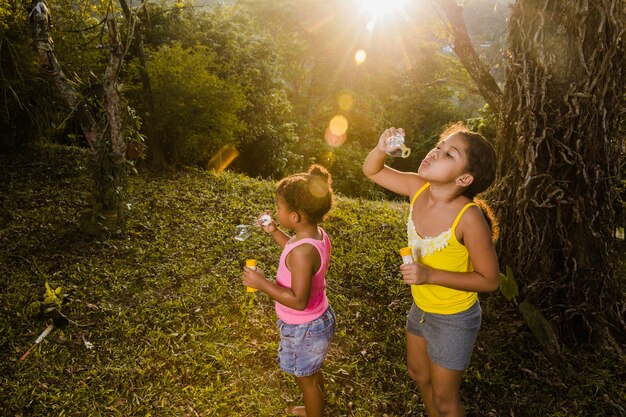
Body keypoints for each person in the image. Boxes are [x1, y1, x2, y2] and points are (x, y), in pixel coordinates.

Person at [363, 123, 500, 417]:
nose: (435, 153)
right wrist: (380, 149)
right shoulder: (418, 187)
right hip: (422, 307)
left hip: (455, 319)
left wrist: (429, 275)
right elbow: (373, 171)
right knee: (418, 375)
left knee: (446, 400)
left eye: (449, 154)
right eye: (438, 146)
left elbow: (490, 281)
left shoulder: (469, 218)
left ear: (464, 178)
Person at [242, 164, 336, 417]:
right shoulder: (314, 235)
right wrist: (274, 231)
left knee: (305, 379)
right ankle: (314, 404)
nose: (276, 211)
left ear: (294, 216)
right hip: (318, 318)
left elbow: (297, 301)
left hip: (304, 327)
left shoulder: (303, 253)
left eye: (279, 209)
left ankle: (313, 409)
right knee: (312, 373)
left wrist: (262, 284)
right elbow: (291, 248)